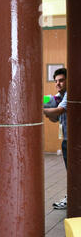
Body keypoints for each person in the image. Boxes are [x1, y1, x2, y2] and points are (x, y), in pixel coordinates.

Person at [43, 68, 68, 210]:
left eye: (61, 80)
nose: (58, 83)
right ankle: (72, 196)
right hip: (66, 140)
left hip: (75, 141)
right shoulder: (58, 96)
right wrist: (47, 109)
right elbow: (54, 118)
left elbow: (59, 111)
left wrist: (40, 110)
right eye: (56, 81)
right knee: (70, 171)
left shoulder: (70, 94)